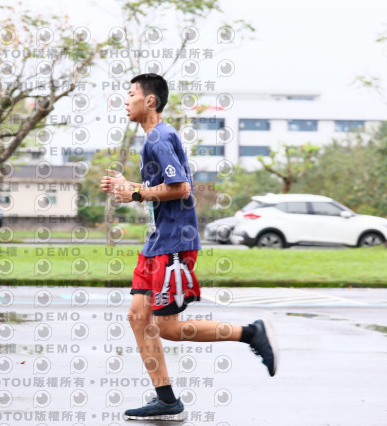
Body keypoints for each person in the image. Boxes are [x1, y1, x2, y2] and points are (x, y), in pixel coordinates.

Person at [100, 73, 279, 421]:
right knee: (138, 317)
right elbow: (162, 188)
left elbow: (181, 187)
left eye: (131, 94)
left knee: (167, 327)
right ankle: (167, 400)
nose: (126, 99)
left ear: (149, 101)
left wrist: (135, 193)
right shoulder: (155, 138)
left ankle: (251, 333)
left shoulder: (159, 137)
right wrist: (130, 186)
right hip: (157, 243)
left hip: (174, 245)